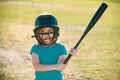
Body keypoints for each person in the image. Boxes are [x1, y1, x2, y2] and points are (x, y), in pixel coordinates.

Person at [30, 13, 77, 80]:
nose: (46, 34)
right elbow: (37, 67)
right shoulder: (36, 48)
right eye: (42, 31)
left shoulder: (60, 48)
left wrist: (70, 55)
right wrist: (55, 66)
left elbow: (60, 67)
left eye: (49, 31)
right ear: (38, 34)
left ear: (55, 32)